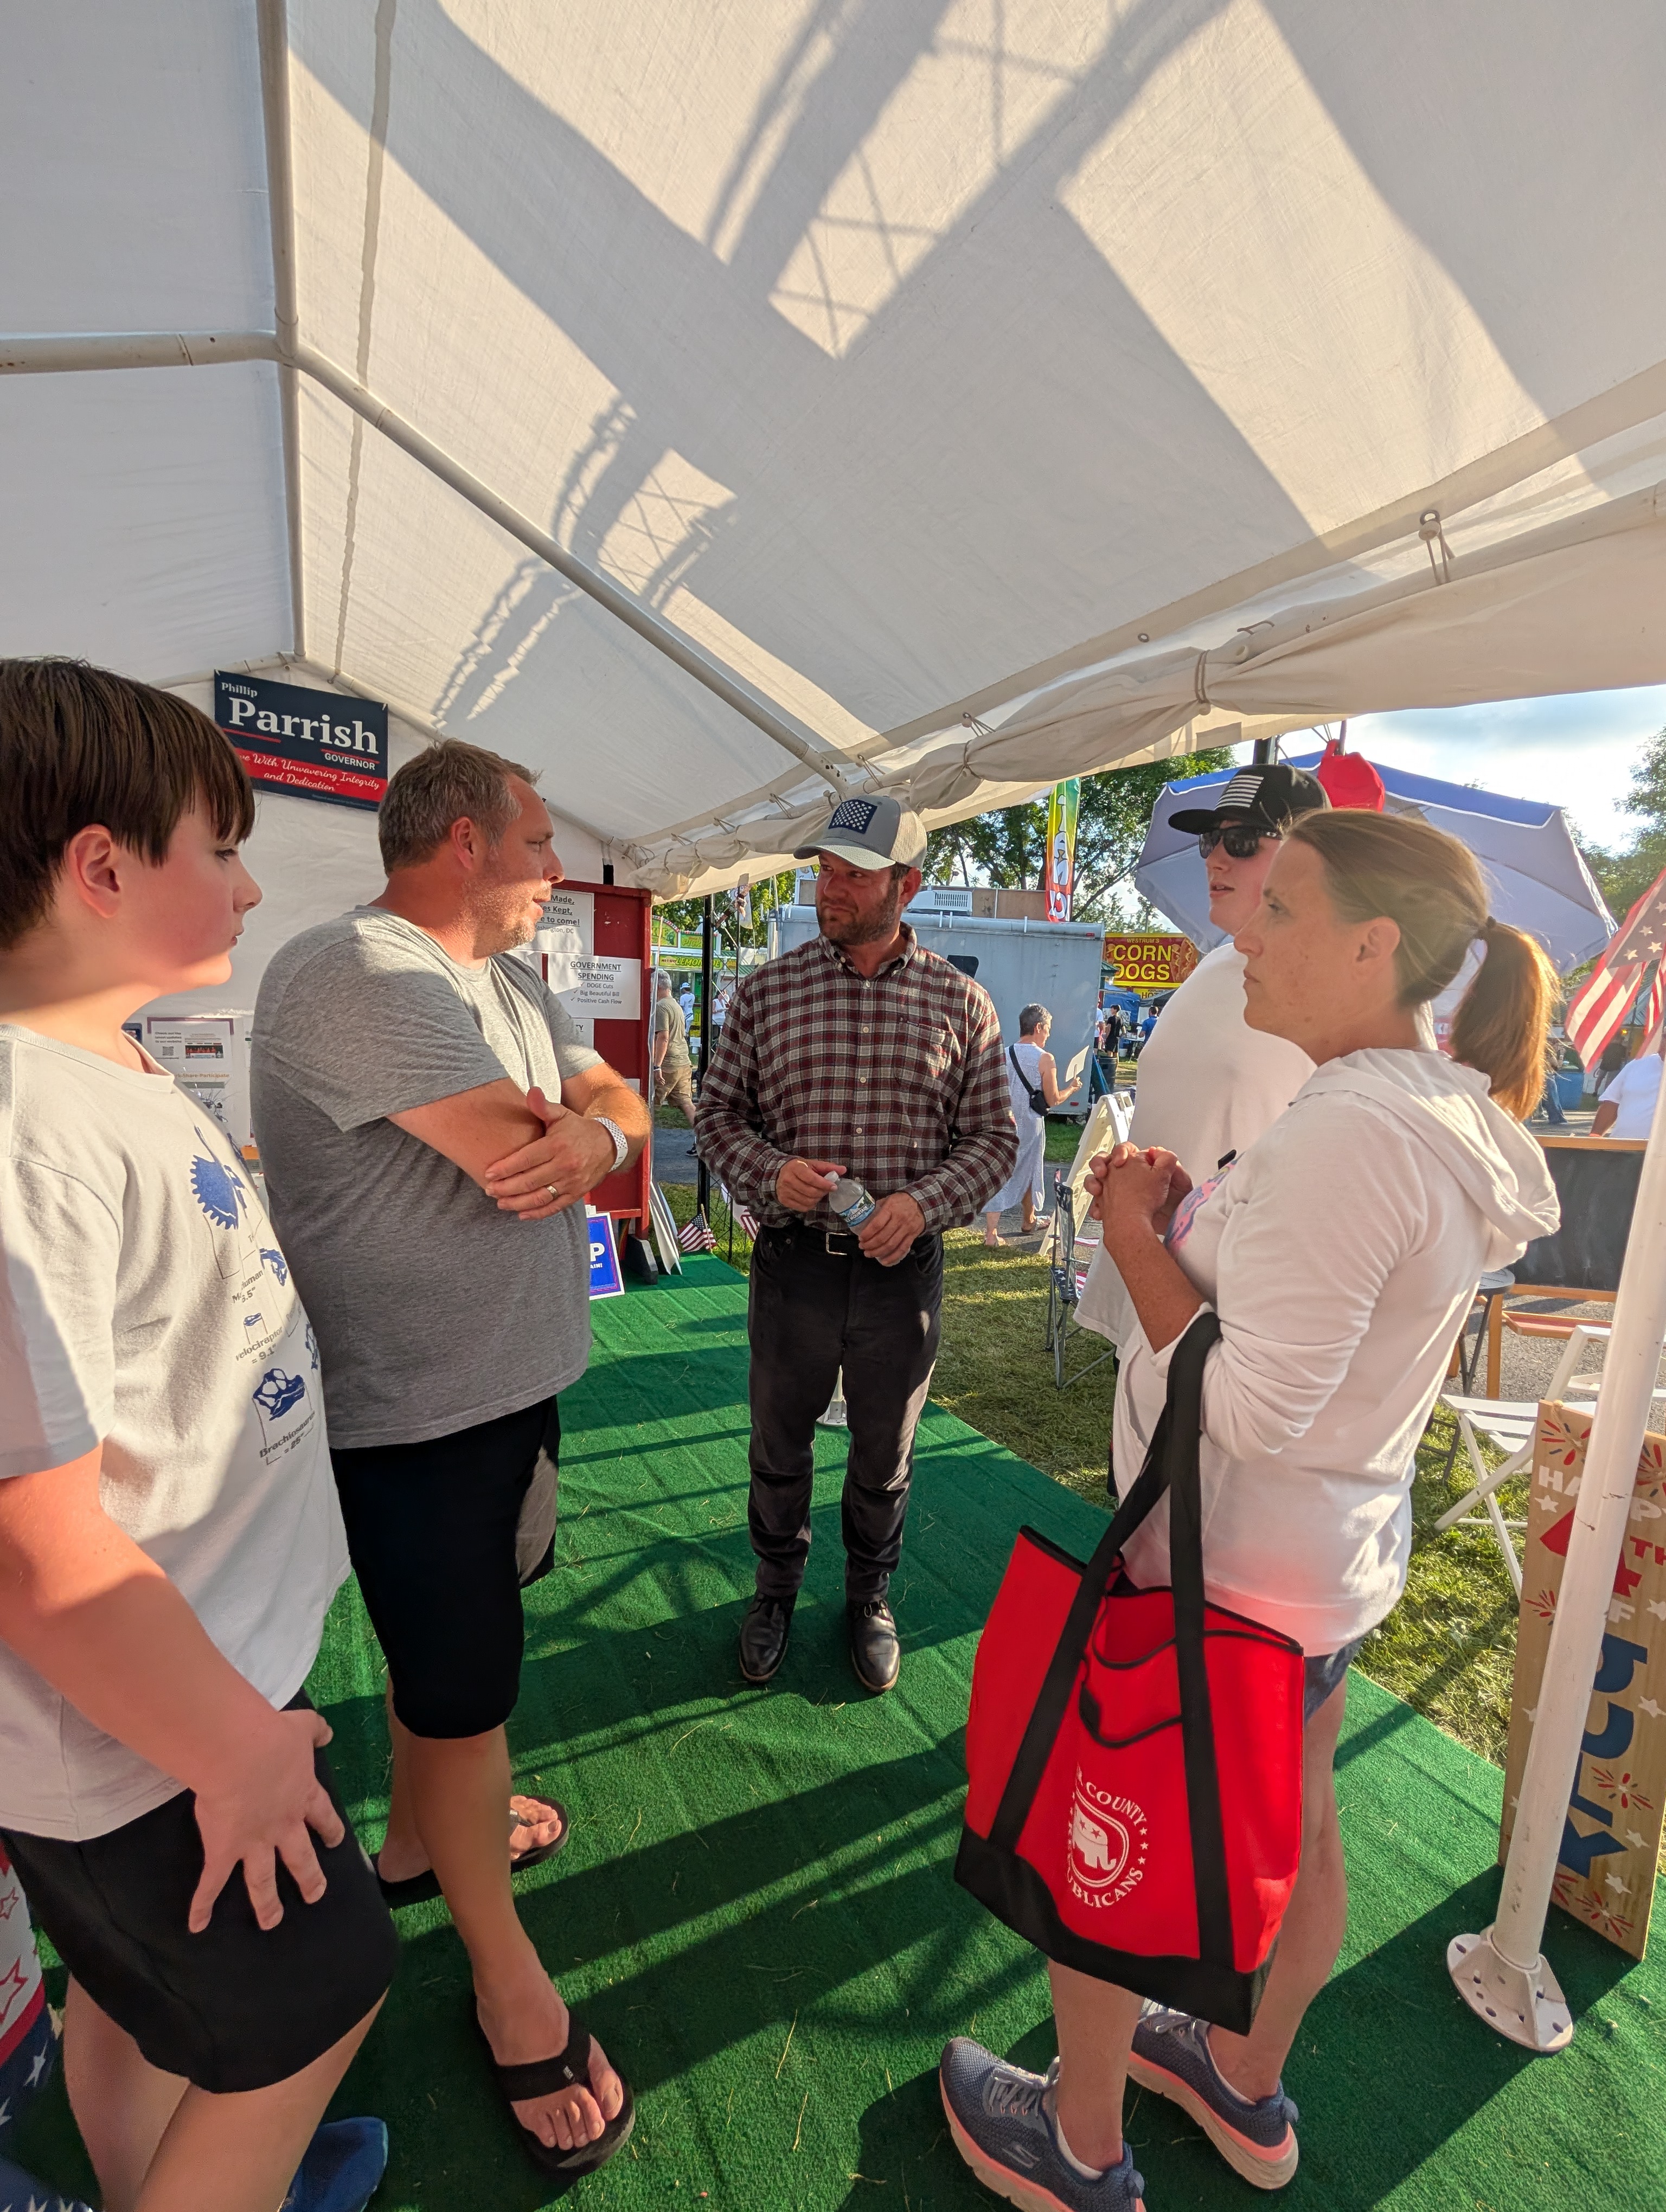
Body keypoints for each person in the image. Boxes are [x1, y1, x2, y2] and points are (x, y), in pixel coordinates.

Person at [940, 808, 1558, 2210]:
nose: (1244, 932)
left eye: (1276, 906)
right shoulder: (1437, 1111)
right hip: (1320, 1566)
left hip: (1226, 1557)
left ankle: (1081, 2144)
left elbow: (1259, 1402)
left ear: (1372, 943)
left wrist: (1133, 1239)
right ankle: (1237, 2072)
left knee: (1124, 1829)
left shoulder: (1356, 1129)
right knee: (1300, 1825)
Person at [0, 660, 396, 2212]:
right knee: (322, 1992)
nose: (244, 890)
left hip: (174, 1692)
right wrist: (227, 1747)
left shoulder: (107, 1060)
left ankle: (148, 2171)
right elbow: (38, 1553)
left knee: (134, 1998)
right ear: (101, 868)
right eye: (215, 850)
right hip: (146, 1738)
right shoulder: (26, 1126)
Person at [251, 738, 649, 2180]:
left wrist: (597, 1142)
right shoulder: (363, 971)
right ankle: (507, 1984)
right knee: (469, 1694)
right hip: (417, 1421)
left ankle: (422, 1847)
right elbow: (515, 1146)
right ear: (470, 841)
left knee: (461, 1681)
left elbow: (616, 1103)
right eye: (544, 843)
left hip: (503, 1397)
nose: (561, 872)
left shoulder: (511, 986)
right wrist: (588, 1135)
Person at [696, 795, 1017, 1694]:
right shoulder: (768, 991)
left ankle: (869, 1597)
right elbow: (718, 1115)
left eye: (849, 873)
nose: (826, 889)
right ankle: (773, 1590)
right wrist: (770, 1173)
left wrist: (920, 1206)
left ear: (905, 885)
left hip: (899, 1279)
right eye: (822, 870)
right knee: (779, 1443)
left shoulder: (962, 1002)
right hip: (794, 1269)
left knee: (885, 1452)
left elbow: (995, 1139)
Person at [1078, 762, 1328, 1349]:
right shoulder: (1216, 964)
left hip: (1241, 1310)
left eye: (1240, 842)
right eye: (1209, 839)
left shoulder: (1331, 985)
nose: (1215, 859)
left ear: (1310, 856)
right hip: (1157, 1276)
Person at [984, 1004, 1080, 1246]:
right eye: (1048, 1029)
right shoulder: (1046, 1059)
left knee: (1005, 1169)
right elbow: (1053, 1099)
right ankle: (992, 1236)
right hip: (1030, 1123)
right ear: (1038, 1027)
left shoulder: (1004, 1053)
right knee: (1028, 1168)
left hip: (1005, 1121)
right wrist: (1072, 1088)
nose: (1049, 1034)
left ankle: (1026, 1221)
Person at [1591, 1027, 1664, 1139]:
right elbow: (1612, 1102)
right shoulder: (1638, 1064)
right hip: (1622, 1150)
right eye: (1665, 1037)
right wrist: (1594, 1139)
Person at [651, 970, 697, 1124]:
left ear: (656, 986)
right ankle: (705, 1138)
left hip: (669, 1064)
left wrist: (657, 1066)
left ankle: (641, 1144)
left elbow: (663, 1038)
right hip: (684, 1061)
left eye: (651, 985)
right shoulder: (676, 1005)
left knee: (649, 1105)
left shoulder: (661, 1007)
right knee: (687, 1103)